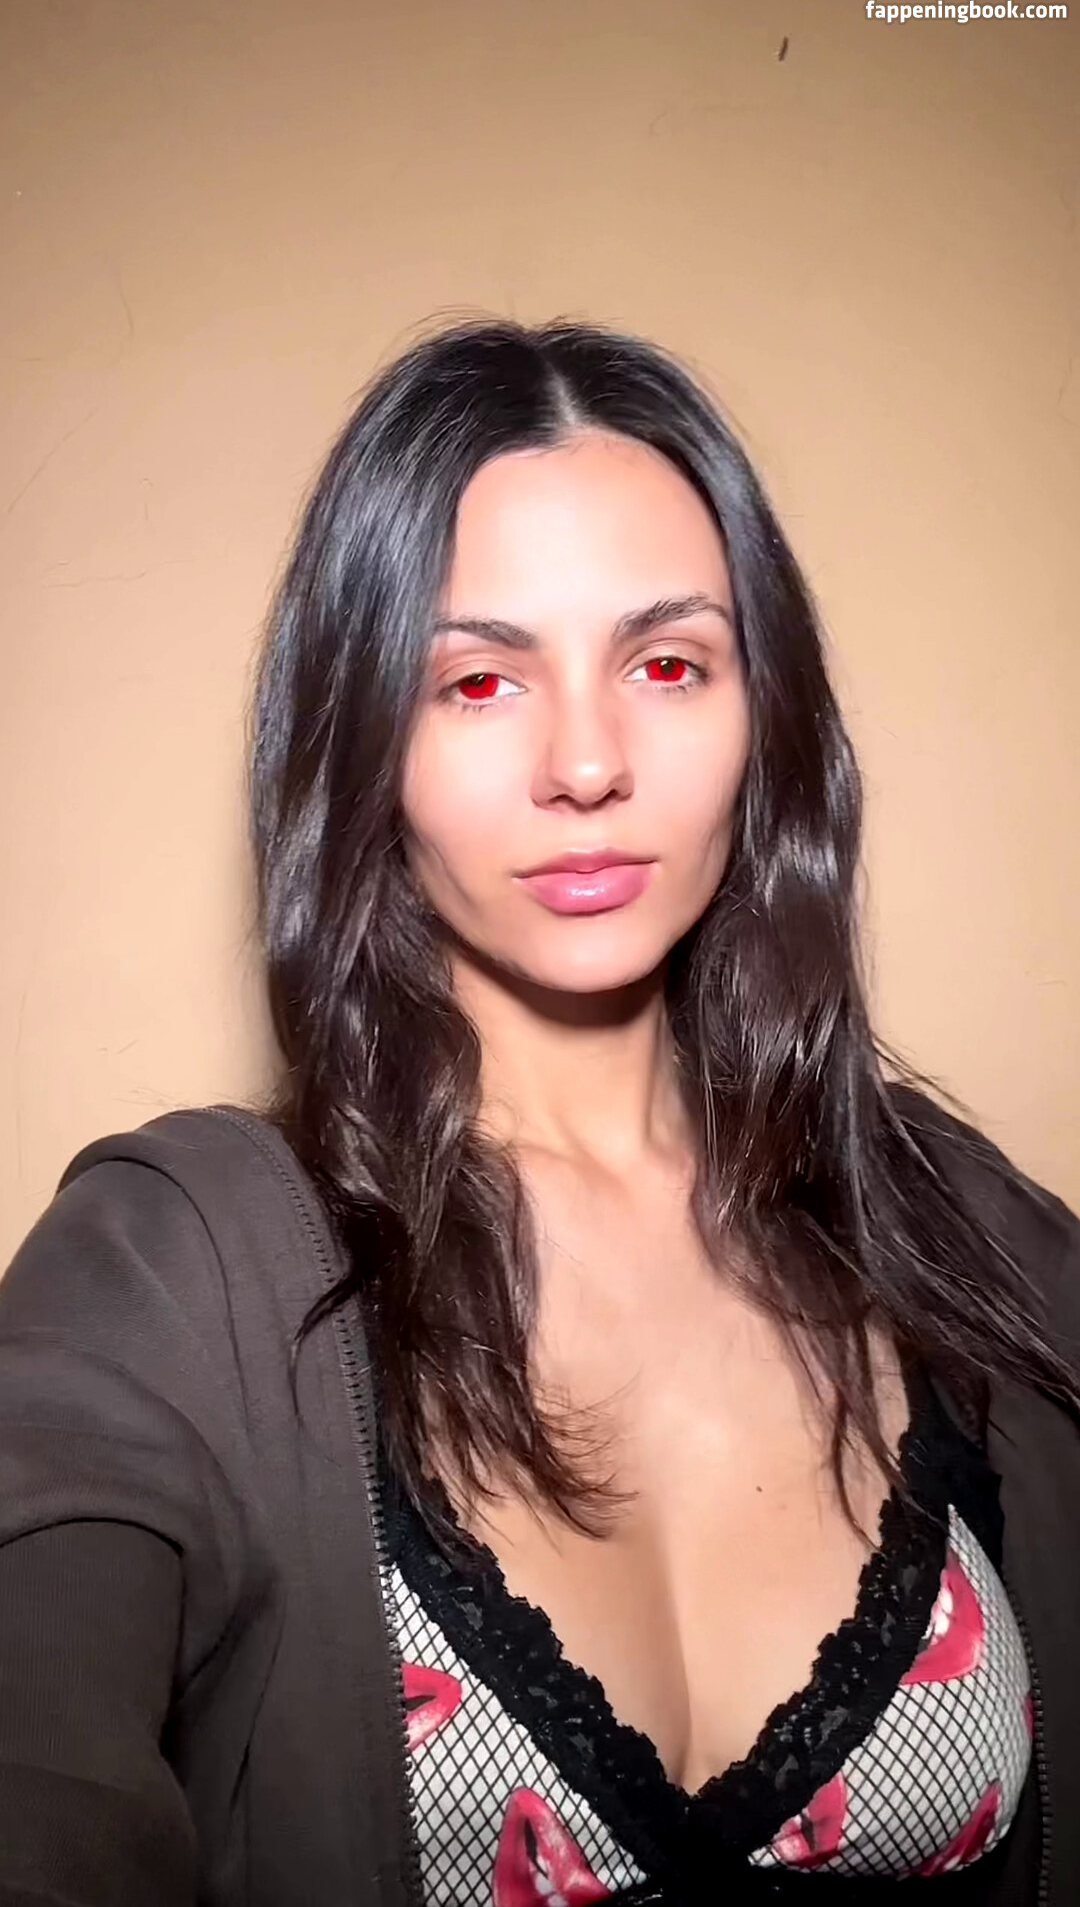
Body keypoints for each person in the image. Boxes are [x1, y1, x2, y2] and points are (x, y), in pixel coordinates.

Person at [0, 318, 1078, 1907]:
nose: (587, 763)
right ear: (365, 741)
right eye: (480, 681)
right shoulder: (177, 1273)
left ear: (766, 717)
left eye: (666, 664)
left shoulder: (965, 1233)